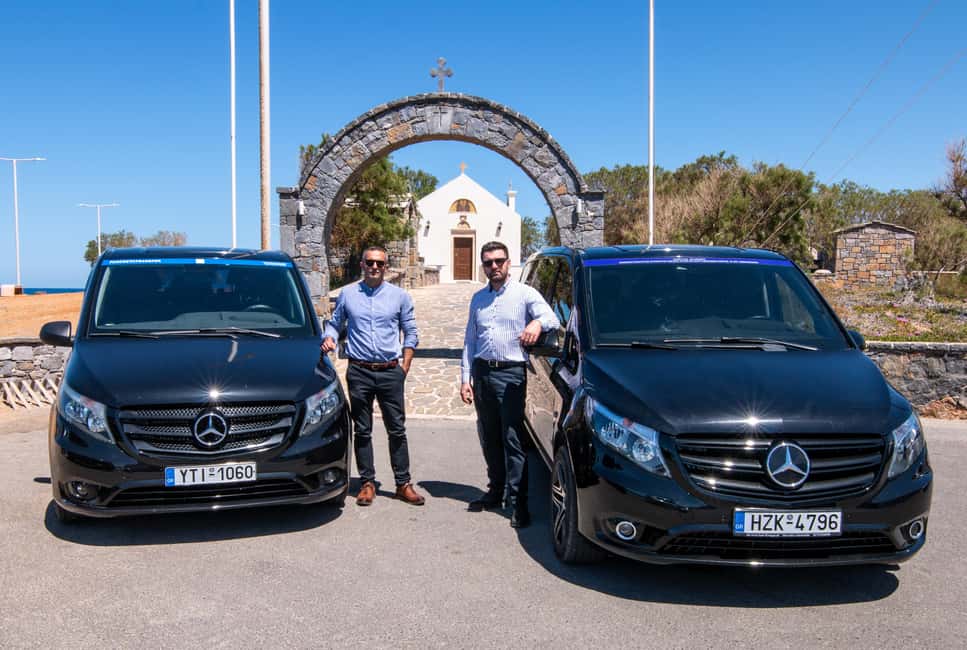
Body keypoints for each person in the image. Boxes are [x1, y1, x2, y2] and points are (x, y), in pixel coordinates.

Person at [460, 241, 560, 528]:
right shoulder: (478, 299)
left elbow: (551, 318)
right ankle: (495, 491)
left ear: (508, 262)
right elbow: (470, 340)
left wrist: (537, 324)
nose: (494, 266)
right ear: (483, 266)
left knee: (513, 440)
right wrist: (465, 378)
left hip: (511, 375)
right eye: (488, 262)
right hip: (482, 373)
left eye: (499, 261)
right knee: (489, 436)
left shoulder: (525, 294)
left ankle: (518, 503)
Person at [322, 246, 425, 507]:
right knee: (363, 429)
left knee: (397, 430)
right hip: (359, 371)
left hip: (390, 371)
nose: (375, 267)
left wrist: (404, 366)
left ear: (386, 266)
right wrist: (329, 337)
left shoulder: (399, 296)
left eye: (379, 263)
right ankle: (367, 483)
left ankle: (403, 483)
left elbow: (411, 331)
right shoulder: (348, 294)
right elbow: (335, 323)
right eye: (370, 262)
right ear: (362, 264)